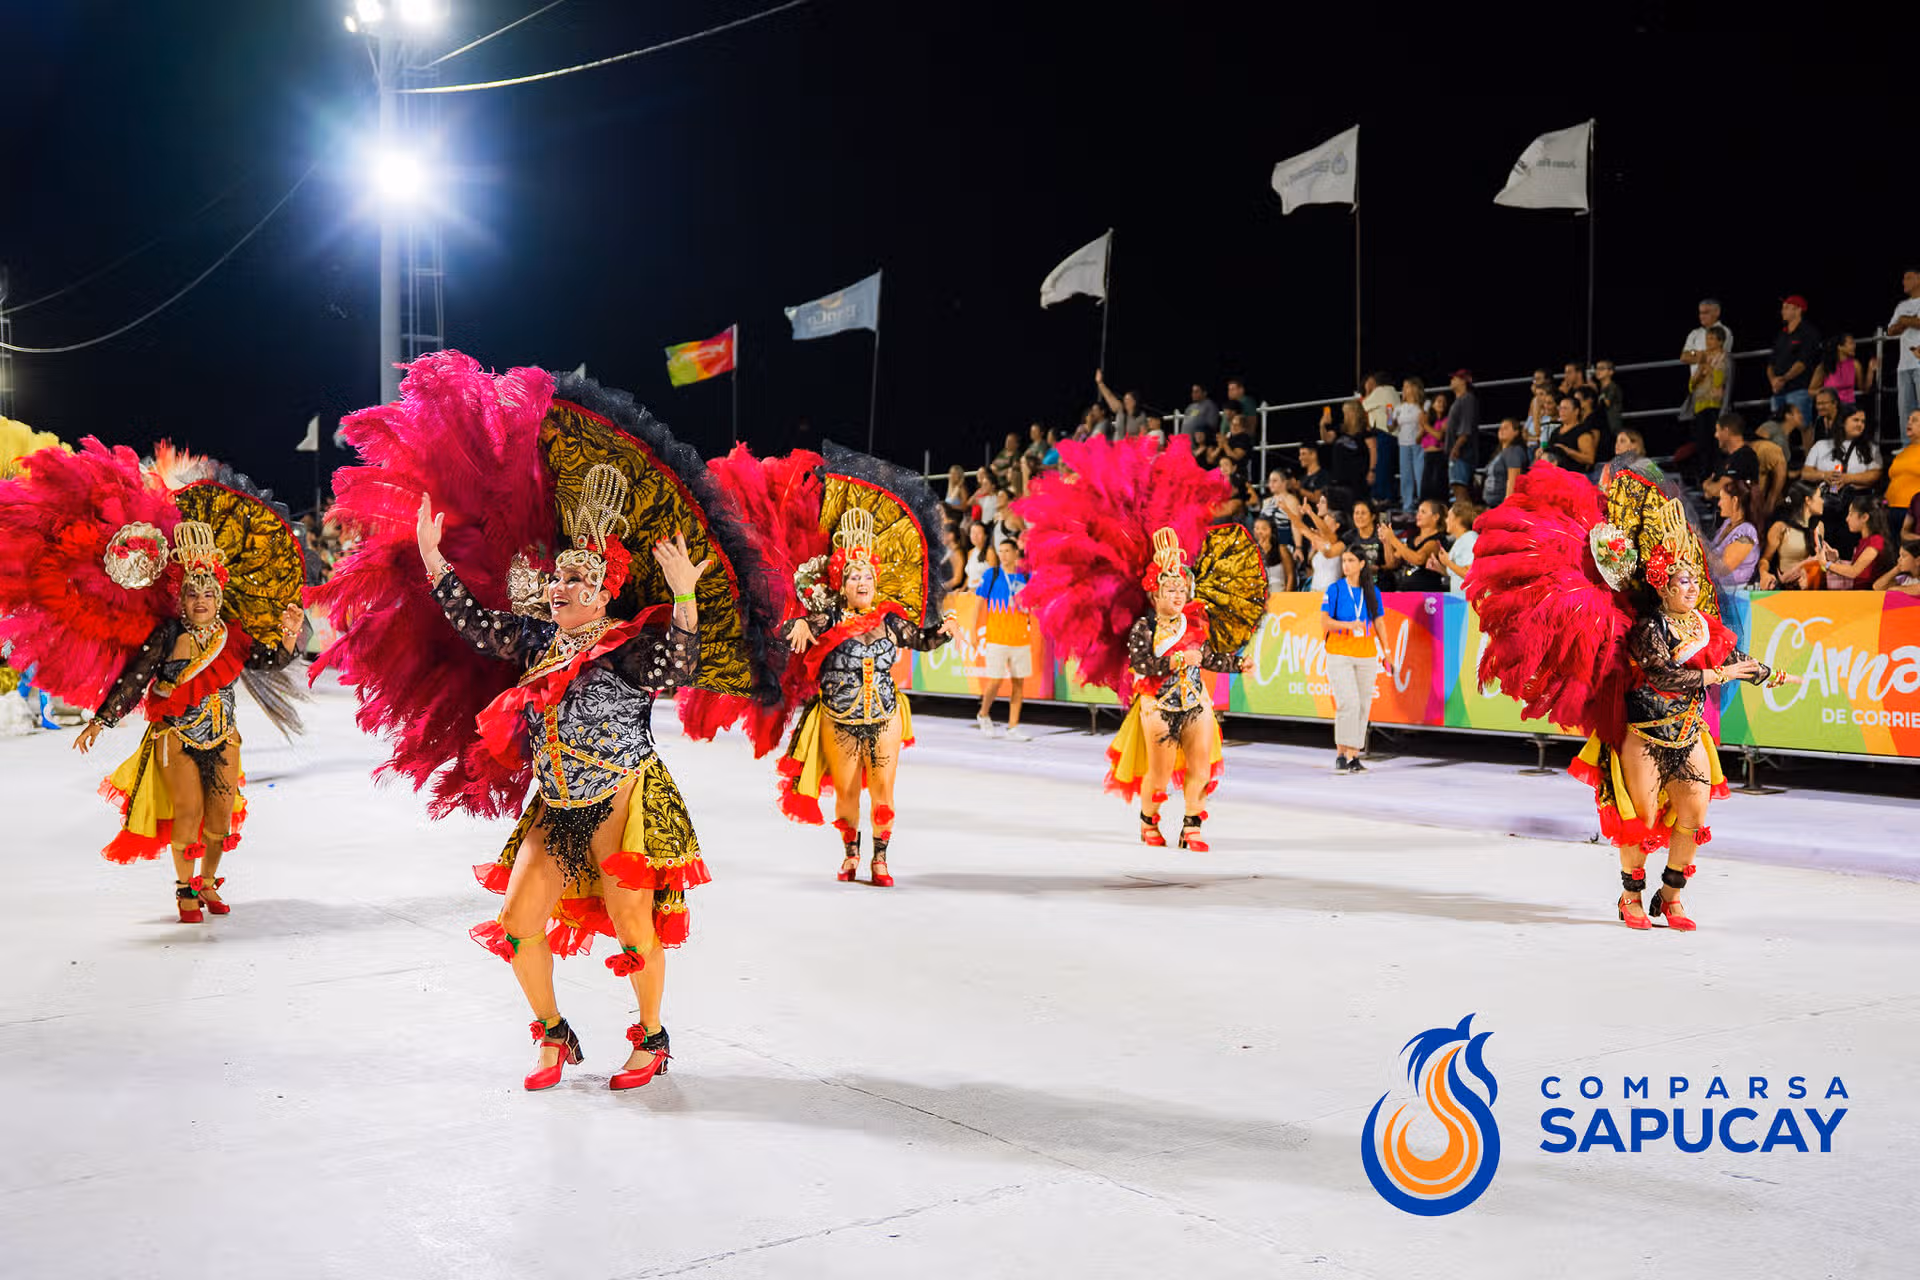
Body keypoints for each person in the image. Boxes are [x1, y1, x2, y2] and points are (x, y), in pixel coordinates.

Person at [311, 359, 784, 1094]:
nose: (563, 586)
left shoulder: (628, 649)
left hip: (624, 801)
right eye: (559, 577)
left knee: (634, 927)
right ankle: (553, 1033)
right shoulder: (536, 640)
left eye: (580, 580)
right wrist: (434, 562)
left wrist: (686, 596)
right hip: (558, 804)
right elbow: (475, 624)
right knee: (517, 921)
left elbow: (681, 662)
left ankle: (652, 1038)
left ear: (605, 594)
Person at [1468, 463, 1802, 932]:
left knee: (1694, 811)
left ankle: (1671, 895)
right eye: (1683, 581)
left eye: (1695, 580)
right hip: (1642, 732)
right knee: (1640, 819)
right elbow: (1665, 674)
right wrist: (1717, 675)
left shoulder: (1702, 625)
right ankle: (1630, 896)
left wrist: (1769, 673)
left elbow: (1733, 656)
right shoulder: (1648, 628)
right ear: (1663, 587)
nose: (1694, 587)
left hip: (1687, 732)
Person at [1016, 437, 1263, 851]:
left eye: (1181, 587)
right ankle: (1149, 821)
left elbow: (1206, 656)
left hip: (1195, 701)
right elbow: (1144, 665)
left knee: (1201, 767)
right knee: (1160, 773)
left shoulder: (1195, 621)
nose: (1178, 594)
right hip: (1156, 704)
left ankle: (1191, 827)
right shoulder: (1143, 627)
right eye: (1170, 589)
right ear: (1154, 593)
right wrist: (1178, 661)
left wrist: (1239, 665)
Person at [783, 502, 957, 886]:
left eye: (867, 577)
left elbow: (923, 640)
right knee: (846, 793)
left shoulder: (890, 620)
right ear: (841, 584)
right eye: (853, 577)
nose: (862, 583)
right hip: (839, 720)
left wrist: (943, 631)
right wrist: (797, 624)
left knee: (883, 790)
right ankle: (851, 854)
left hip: (884, 716)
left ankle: (880, 859)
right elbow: (789, 632)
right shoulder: (827, 618)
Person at [1319, 549, 1390, 774]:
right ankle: (1345, 755)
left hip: (1366, 654)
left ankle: (1351, 755)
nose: (1346, 565)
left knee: (1362, 705)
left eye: (1351, 560)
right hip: (1339, 652)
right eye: (1344, 561)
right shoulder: (1335, 589)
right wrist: (1348, 625)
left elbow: (1379, 622)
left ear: (1361, 564)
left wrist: (1387, 651)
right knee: (1348, 702)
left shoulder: (1372, 591)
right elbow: (1325, 622)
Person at [973, 538, 1034, 741]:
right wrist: (972, 631)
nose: (1003, 555)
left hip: (1020, 638)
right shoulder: (992, 574)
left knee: (1018, 684)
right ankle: (983, 714)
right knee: (995, 680)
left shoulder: (1026, 576)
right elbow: (978, 604)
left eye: (1007, 550)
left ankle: (1013, 727)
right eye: (1001, 551)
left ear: (1016, 553)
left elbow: (1035, 601)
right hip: (997, 638)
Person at [1801, 407, 1883, 555]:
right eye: (1855, 420)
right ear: (1842, 422)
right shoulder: (1821, 445)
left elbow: (1876, 475)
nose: (1860, 424)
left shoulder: (1870, 448)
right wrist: (1824, 475)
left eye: (1863, 421)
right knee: (1824, 547)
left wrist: (1847, 478)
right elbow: (1806, 473)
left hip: (1855, 505)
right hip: (1827, 504)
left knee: (1850, 548)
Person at [1755, 483, 1827, 589]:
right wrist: (1764, 573)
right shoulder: (1780, 527)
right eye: (1819, 497)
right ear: (1808, 500)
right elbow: (1765, 559)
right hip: (1786, 587)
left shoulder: (1819, 527)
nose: (1823, 501)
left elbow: (1820, 563)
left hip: (1811, 587)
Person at [1768, 295, 1822, 422]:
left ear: (1798, 310)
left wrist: (1783, 379)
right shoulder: (1782, 334)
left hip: (1799, 388)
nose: (1783, 311)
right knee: (1777, 425)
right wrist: (1773, 380)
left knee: (1802, 425)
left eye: (1787, 308)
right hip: (1778, 390)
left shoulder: (1808, 333)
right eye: (1783, 308)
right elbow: (1770, 362)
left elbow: (1803, 363)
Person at [1819, 496, 1889, 590]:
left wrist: (1826, 564)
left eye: (1851, 514)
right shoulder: (1864, 541)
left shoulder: (1876, 541)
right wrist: (1835, 560)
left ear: (1864, 517)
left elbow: (1854, 572)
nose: (1847, 519)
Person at [1379, 498, 1447, 592]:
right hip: (1405, 592)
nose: (1418, 515)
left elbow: (1419, 559)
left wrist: (1393, 539)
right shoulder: (1412, 539)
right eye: (1418, 511)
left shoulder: (1437, 540)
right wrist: (1386, 542)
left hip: (1427, 595)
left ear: (1436, 517)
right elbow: (1392, 563)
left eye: (1423, 512)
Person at [1709, 480, 1761, 588]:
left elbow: (1722, 570)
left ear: (1734, 501)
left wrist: (1701, 545)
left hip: (1734, 593)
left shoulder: (1747, 532)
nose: (1719, 503)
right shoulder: (1727, 523)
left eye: (1722, 499)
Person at [1885, 267, 1920, 427]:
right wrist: (1909, 320)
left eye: (1908, 278)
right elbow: (1890, 331)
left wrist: (1904, 320)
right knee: (1905, 411)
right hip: (1904, 365)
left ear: (1919, 279)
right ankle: (1907, 441)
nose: (1903, 282)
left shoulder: (1902, 310)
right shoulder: (1901, 305)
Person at [1362, 372, 1401, 507]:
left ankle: (1382, 497)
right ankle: (1387, 497)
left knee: (1382, 467)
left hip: (1385, 432)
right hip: (1391, 433)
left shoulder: (1382, 391)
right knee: (1386, 466)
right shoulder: (1392, 391)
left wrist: (1368, 391)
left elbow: (1364, 405)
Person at [1810, 332, 1873, 408]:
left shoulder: (1855, 364)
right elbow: (1811, 391)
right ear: (1840, 347)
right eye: (1851, 343)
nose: (1854, 346)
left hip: (1849, 406)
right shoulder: (1824, 366)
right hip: (1830, 407)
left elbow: (1864, 389)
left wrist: (1870, 370)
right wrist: (1826, 393)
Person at [1430, 500, 1481, 593]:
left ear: (1458, 519)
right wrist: (1440, 568)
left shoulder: (1470, 538)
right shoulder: (1460, 540)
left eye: (1448, 517)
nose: (1446, 520)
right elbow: (1458, 575)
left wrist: (1448, 562)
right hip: (1459, 598)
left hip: (1468, 600)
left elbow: (1471, 575)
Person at [1444, 369, 1480, 501]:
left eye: (1455, 378)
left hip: (1462, 454)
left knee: (1459, 487)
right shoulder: (1460, 400)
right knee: (1457, 487)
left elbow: (1466, 427)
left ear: (1463, 381)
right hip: (1458, 452)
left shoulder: (1467, 399)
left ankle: (1465, 513)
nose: (1452, 380)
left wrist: (1456, 447)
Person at [1884, 408, 1920, 538]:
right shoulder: (1902, 453)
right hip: (1890, 509)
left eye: (1914, 420)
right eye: (1908, 420)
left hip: (1912, 513)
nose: (1909, 423)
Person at [1393, 378, 1427, 513]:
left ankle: (1423, 503)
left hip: (1419, 443)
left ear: (1414, 388)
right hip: (1403, 444)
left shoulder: (1424, 404)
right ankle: (1407, 506)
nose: (1404, 390)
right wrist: (1389, 417)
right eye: (1404, 387)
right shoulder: (1399, 408)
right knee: (1406, 475)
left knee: (1420, 474)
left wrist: (1420, 435)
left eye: (1407, 387)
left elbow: (1426, 421)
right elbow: (1391, 427)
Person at [1544, 396, 1601, 472]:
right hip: (1554, 473)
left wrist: (1567, 451)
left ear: (1576, 411)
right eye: (1560, 408)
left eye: (1565, 408)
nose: (1561, 411)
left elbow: (1590, 459)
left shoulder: (1582, 432)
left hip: (1573, 474)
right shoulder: (1555, 431)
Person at [1482, 418, 1530, 507]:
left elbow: (1513, 479)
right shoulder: (1499, 453)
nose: (1501, 430)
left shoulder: (1514, 451)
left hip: (1502, 504)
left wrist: (1508, 503)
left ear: (1516, 432)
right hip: (1493, 505)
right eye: (1500, 428)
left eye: (1506, 428)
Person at [1095, 370, 1152, 437]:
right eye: (1124, 399)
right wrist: (1100, 383)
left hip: (1131, 443)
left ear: (1134, 401)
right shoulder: (1120, 410)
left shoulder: (1141, 415)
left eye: (1128, 399)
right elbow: (1109, 396)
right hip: (1118, 443)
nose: (1125, 401)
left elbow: (1143, 436)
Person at [1252, 513, 1294, 592]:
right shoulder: (1252, 551)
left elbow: (1290, 575)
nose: (1259, 532)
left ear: (1272, 530)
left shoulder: (1281, 549)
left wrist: (1287, 594)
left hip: (1279, 591)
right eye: (1257, 528)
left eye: (1264, 529)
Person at [1593, 359, 1626, 433]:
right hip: (1602, 426)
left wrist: (1594, 392)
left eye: (1602, 368)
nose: (1598, 371)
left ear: (1611, 372)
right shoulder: (1600, 389)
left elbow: (1606, 403)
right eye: (1597, 368)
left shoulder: (1613, 387)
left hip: (1612, 426)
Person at [962, 519, 993, 591]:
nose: (975, 536)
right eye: (973, 532)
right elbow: (970, 577)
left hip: (984, 591)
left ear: (985, 536)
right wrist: (962, 588)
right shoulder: (970, 552)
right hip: (970, 592)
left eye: (978, 533)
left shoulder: (990, 552)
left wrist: (978, 586)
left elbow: (993, 576)